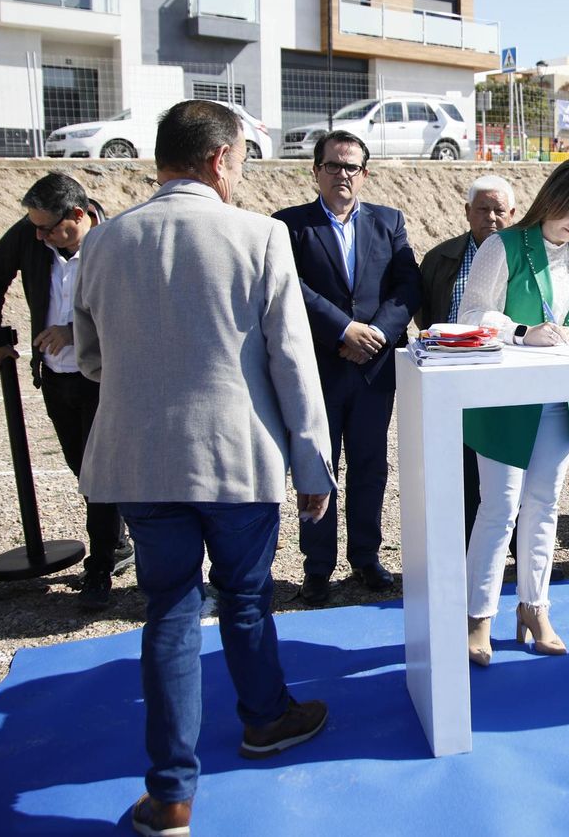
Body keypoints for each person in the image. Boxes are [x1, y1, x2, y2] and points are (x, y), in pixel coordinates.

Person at [73, 100, 335, 836]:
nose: (242, 172)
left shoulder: (103, 240)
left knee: (169, 610)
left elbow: (91, 358)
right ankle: (266, 719)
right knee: (246, 598)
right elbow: (292, 360)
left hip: (141, 458)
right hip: (236, 456)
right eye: (243, 158)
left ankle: (171, 796)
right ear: (221, 158)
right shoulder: (260, 235)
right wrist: (313, 463)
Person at [457, 158, 569, 665]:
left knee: (544, 506)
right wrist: (523, 333)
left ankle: (535, 608)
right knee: (499, 508)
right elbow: (471, 314)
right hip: (504, 400)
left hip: (559, 398)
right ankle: (477, 616)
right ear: (553, 198)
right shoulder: (502, 246)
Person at [274, 130, 420, 606]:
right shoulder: (288, 226)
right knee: (317, 466)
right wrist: (343, 330)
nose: (342, 174)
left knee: (369, 466)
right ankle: (317, 567)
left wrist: (374, 334)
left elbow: (407, 286)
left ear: (365, 173)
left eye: (351, 166)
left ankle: (365, 557)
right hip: (319, 367)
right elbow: (289, 286)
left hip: (373, 370)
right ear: (315, 171)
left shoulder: (389, 221)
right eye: (333, 165)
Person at [0, 173, 130, 610]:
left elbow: (134, 308)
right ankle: (118, 542)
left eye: (47, 228)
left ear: (78, 215)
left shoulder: (118, 241)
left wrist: (75, 331)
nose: (39, 236)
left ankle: (100, 567)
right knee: (82, 468)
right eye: (35, 227)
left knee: (101, 474)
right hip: (56, 377)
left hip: (104, 378)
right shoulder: (31, 234)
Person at [415, 173, 517, 543]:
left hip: (505, 376)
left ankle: (515, 550)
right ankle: (462, 548)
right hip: (454, 376)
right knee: (461, 465)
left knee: (510, 466)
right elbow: (425, 314)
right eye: (482, 209)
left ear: (513, 214)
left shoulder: (523, 255)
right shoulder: (440, 257)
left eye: (499, 210)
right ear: (467, 211)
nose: (491, 217)